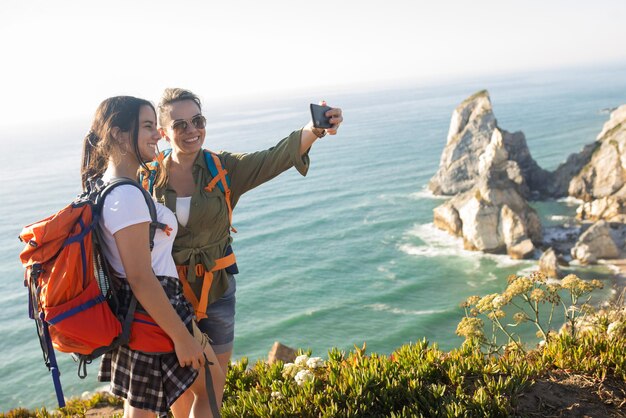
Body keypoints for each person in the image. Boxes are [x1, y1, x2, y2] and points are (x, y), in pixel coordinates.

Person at [150, 88, 343, 412]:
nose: (192, 130)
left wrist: (315, 129)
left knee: (213, 386)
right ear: (163, 132)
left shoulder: (223, 168)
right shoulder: (147, 178)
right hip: (170, 298)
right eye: (180, 124)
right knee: (180, 388)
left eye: (197, 120)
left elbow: (273, 158)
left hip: (218, 290)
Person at [80, 96, 222, 417]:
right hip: (155, 309)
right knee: (209, 384)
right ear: (118, 134)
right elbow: (141, 277)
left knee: (146, 405)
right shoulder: (126, 196)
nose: (157, 134)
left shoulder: (109, 186)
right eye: (147, 126)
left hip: (139, 312)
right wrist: (181, 337)